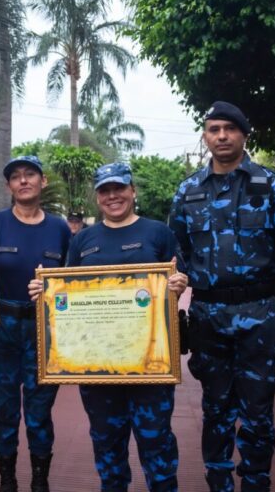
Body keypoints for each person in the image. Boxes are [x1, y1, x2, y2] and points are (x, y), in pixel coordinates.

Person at [168, 101, 275, 491]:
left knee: (257, 412)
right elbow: (177, 254)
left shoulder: (274, 187)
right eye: (213, 129)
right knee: (214, 409)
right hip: (209, 315)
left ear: (244, 135)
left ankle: (255, 483)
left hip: (261, 314)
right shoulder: (188, 191)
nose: (221, 136)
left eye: (229, 129)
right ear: (204, 136)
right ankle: (218, 482)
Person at [29, 162, 187, 492]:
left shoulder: (158, 232)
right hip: (97, 364)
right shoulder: (83, 239)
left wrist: (178, 284)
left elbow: (176, 279)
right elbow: (67, 292)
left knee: (156, 442)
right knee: (107, 444)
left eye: (119, 188)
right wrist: (45, 294)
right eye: (105, 190)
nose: (113, 196)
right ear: (97, 196)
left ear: (133, 191)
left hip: (150, 363)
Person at [0, 156, 70, 492]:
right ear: (9, 186)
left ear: (42, 182)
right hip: (1, 329)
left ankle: (40, 478)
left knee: (40, 410)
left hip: (44, 331)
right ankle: (7, 479)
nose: (23, 181)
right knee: (5, 409)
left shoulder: (59, 228)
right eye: (15, 177)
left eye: (30, 175)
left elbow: (71, 281)